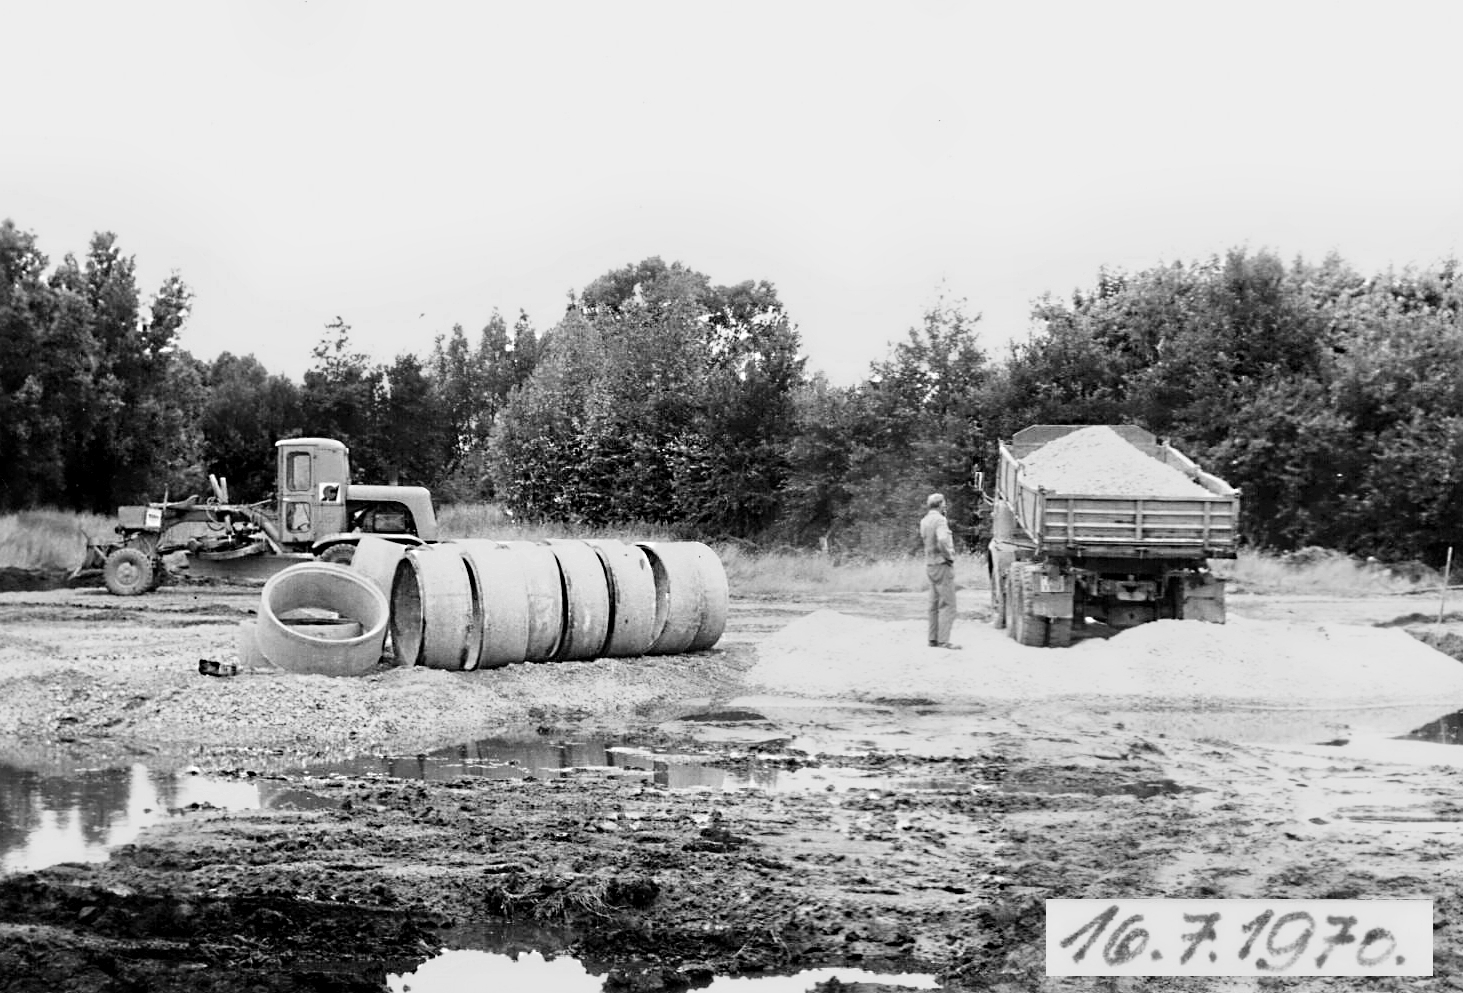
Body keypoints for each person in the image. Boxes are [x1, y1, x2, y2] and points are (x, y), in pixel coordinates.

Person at [920, 492, 959, 649]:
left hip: (930, 564)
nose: (945, 505)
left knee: (933, 603)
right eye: (944, 502)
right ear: (939, 504)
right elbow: (942, 539)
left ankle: (933, 638)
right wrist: (948, 555)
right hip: (942, 564)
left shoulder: (924, 520)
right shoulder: (940, 520)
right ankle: (944, 640)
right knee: (949, 604)